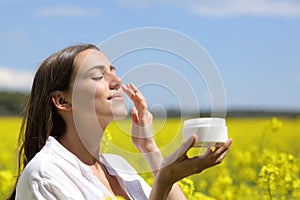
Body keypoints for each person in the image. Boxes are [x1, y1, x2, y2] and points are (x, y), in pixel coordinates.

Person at [9, 44, 232, 200]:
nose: (117, 81)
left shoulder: (118, 167)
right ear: (62, 100)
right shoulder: (46, 175)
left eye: (113, 72)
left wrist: (149, 148)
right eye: (98, 76)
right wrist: (163, 183)